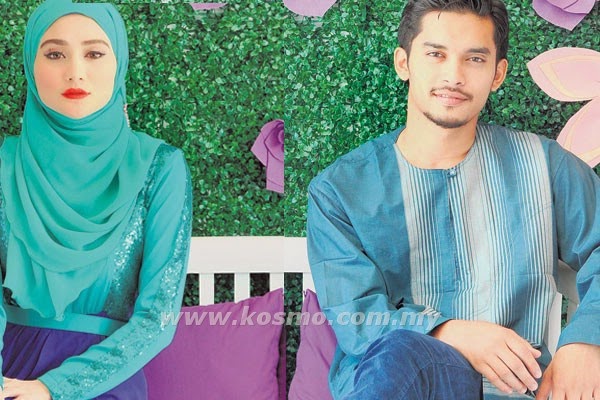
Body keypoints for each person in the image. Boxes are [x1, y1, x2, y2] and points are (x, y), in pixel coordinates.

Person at [306, 0, 600, 398]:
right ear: (403, 63)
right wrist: (451, 331)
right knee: (398, 353)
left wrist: (586, 340)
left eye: (474, 59)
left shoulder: (545, 166)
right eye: (436, 54)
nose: (454, 76)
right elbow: (356, 316)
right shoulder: (339, 190)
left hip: (513, 390)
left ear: (497, 74)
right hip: (396, 386)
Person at [0, 0, 192, 399]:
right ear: (31, 66)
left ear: (118, 63)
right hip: (9, 377)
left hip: (105, 382)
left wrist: (57, 388)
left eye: (94, 54)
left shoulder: (160, 167)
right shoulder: (4, 165)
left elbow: (157, 318)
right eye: (55, 54)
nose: (75, 71)